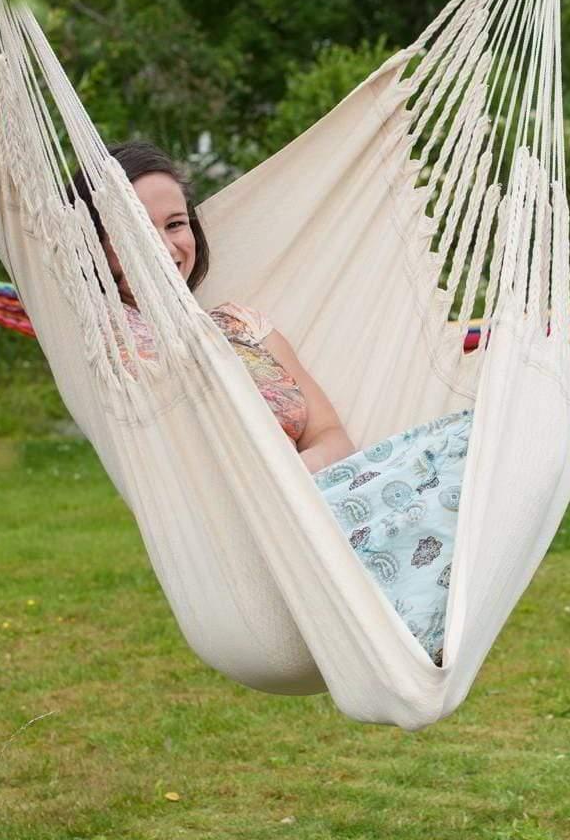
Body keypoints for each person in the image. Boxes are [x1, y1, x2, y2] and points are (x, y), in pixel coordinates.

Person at [71, 141, 470, 664]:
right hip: (250, 544)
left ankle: (410, 639)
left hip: (321, 498)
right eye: (137, 232)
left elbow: (331, 435)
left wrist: (294, 477)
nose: (168, 247)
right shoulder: (106, 343)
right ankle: (410, 642)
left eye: (175, 224)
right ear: (97, 246)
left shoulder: (242, 324)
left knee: (480, 439)